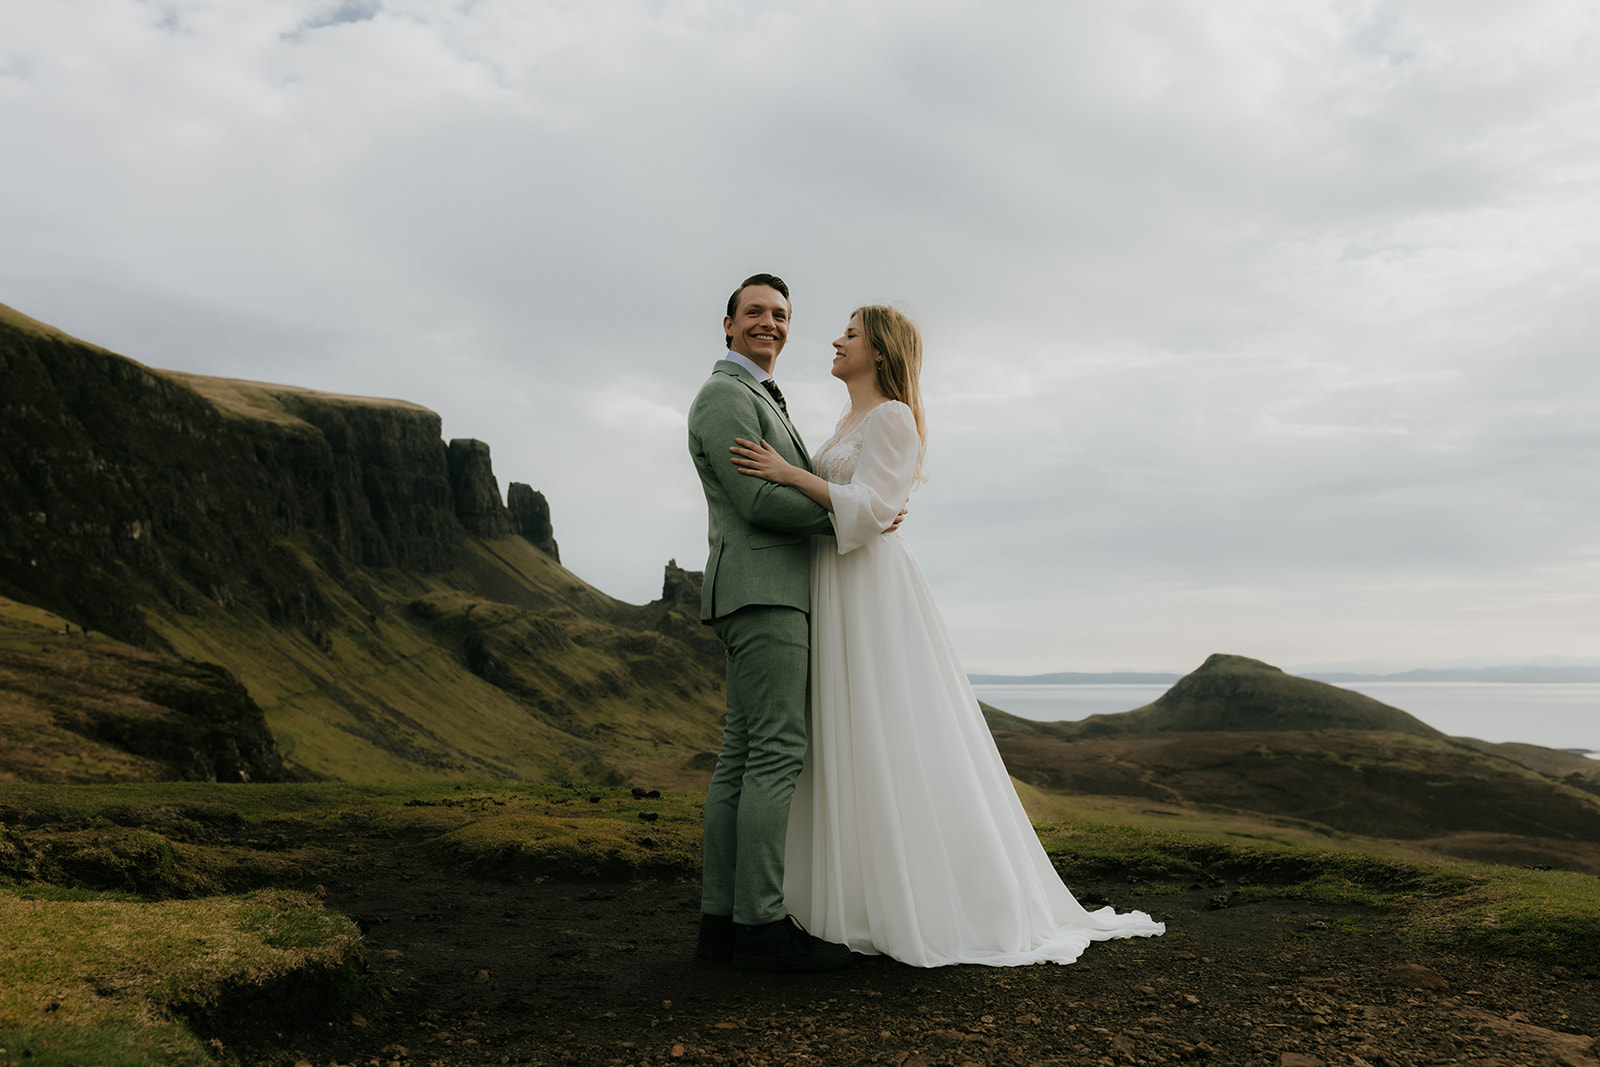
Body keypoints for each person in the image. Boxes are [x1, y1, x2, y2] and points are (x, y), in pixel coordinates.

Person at [729, 305, 1166, 966]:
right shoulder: (847, 422)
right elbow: (858, 501)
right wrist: (811, 485)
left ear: (878, 351)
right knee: (838, 733)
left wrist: (793, 475)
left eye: (850, 333)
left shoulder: (893, 417)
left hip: (868, 590)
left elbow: (876, 509)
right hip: (831, 582)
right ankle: (839, 897)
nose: (836, 340)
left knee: (884, 729)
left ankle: (917, 897)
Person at [685, 273, 853, 973]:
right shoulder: (726, 395)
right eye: (754, 311)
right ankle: (760, 924)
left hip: (755, 589)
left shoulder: (755, 395)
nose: (770, 322)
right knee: (776, 750)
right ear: (727, 325)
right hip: (765, 590)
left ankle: (722, 924)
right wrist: (850, 513)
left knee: (744, 752)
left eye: (780, 314)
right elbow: (756, 500)